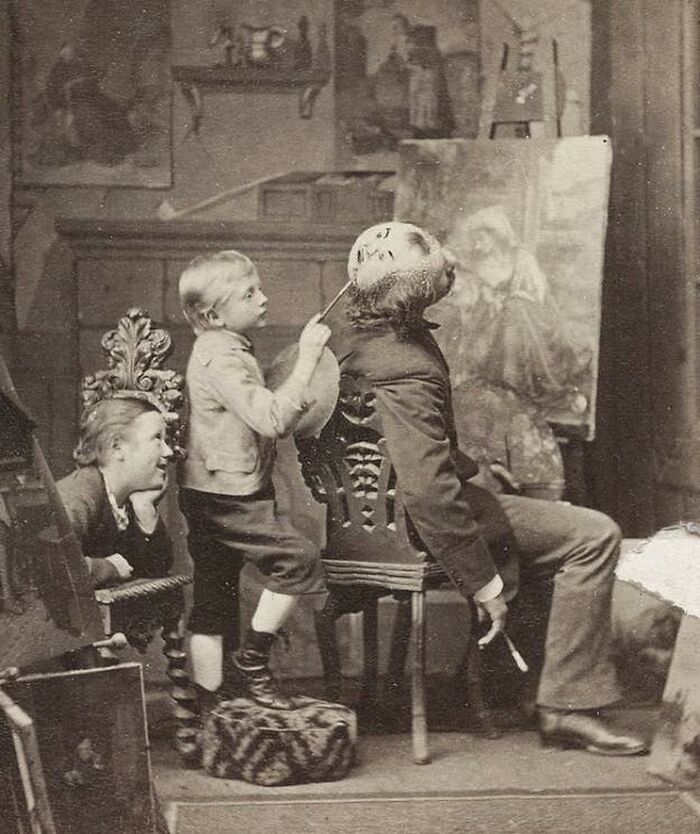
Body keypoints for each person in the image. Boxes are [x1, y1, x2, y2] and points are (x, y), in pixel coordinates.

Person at [332, 221, 647, 756]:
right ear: (414, 296)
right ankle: (565, 707)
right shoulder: (408, 364)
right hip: (419, 522)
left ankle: (514, 685)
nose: (451, 267)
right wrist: (485, 586)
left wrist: (470, 468)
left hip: (367, 517)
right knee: (593, 534)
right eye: (439, 272)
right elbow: (430, 492)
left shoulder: (352, 336)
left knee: (545, 522)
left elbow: (405, 448)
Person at [177, 250, 329, 715]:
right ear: (213, 314)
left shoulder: (221, 346)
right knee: (299, 561)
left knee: (214, 596)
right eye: (250, 293)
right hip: (229, 498)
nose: (263, 299)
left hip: (210, 490)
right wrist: (306, 360)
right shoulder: (222, 357)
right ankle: (253, 662)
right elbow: (270, 420)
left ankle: (211, 706)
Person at [441, 206, 591, 416]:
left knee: (515, 311)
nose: (477, 244)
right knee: (506, 317)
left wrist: (511, 299)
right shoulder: (479, 262)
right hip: (497, 319)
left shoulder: (522, 259)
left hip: (534, 317)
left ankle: (522, 384)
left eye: (481, 238)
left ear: (495, 236)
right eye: (475, 239)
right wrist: (492, 300)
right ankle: (504, 384)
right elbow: (479, 294)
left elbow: (539, 295)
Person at [56, 396, 174, 589]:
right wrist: (109, 567)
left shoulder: (127, 499)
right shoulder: (80, 492)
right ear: (117, 446)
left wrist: (145, 509)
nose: (168, 452)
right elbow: (56, 565)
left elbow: (158, 568)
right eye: (157, 438)